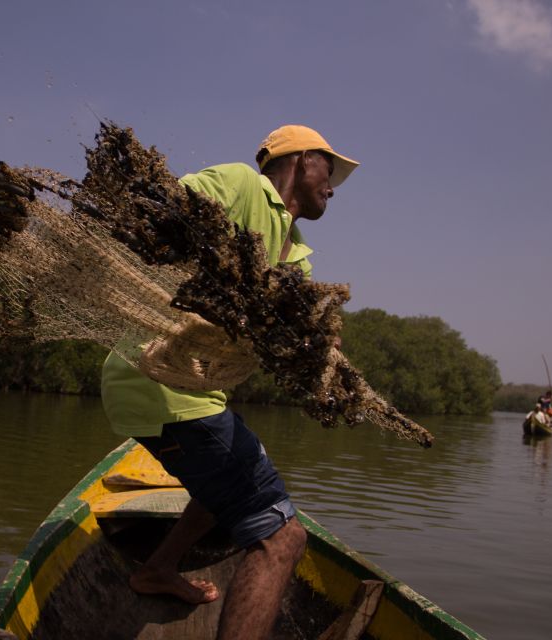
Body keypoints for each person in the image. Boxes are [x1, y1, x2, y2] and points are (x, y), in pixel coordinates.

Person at [100, 124, 359, 639]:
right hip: (159, 383)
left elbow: (296, 334)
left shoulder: (298, 257)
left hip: (200, 395)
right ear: (302, 159)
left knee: (230, 474)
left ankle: (158, 568)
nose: (333, 186)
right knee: (282, 539)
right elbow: (167, 206)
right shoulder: (243, 184)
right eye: (329, 170)